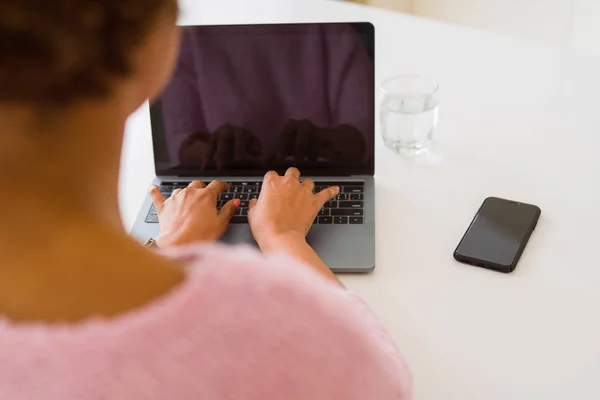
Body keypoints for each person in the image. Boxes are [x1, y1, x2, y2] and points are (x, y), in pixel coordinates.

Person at [0, 1, 412, 399]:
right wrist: (283, 237)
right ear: (151, 48)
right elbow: (387, 383)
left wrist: (165, 246)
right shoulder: (285, 330)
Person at [158, 24, 374, 170]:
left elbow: (366, 135)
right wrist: (215, 151)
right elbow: (181, 142)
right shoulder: (187, 35)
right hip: (223, 183)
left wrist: (323, 141)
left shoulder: (331, 26)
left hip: (319, 177)